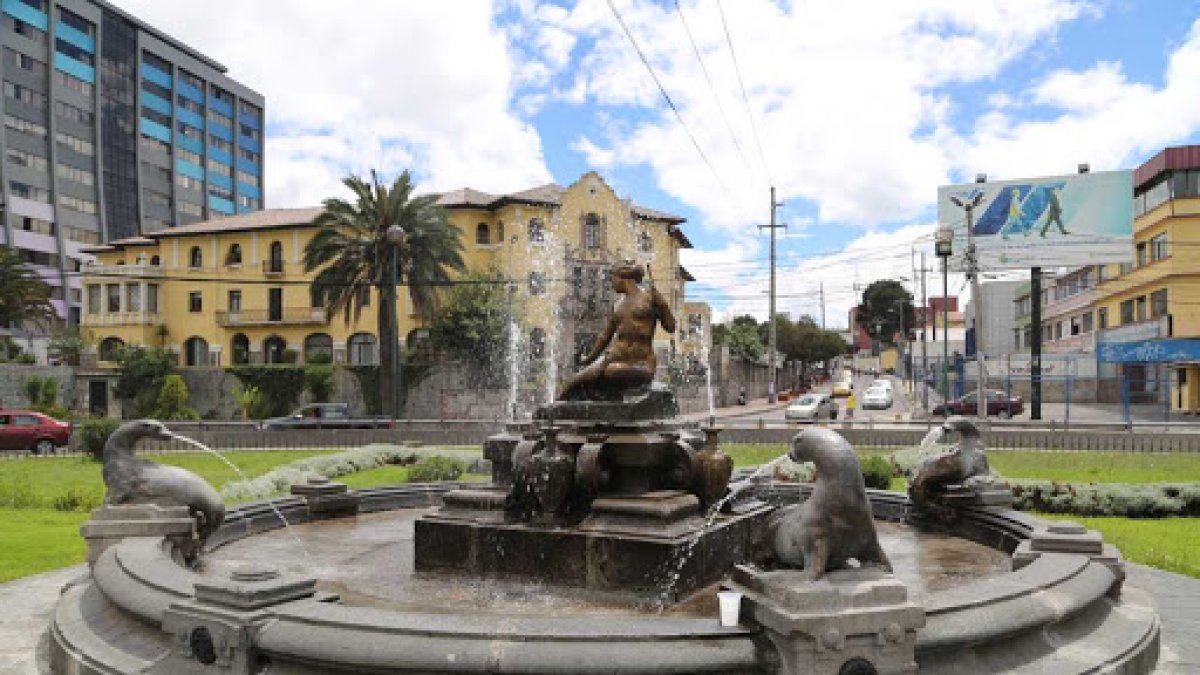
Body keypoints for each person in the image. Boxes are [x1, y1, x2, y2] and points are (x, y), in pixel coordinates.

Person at [558, 260, 676, 400]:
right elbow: (604, 337)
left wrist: (663, 306)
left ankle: (609, 396)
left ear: (623, 278)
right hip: (611, 361)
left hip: (641, 366)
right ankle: (557, 408)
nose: (611, 283)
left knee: (611, 371)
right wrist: (589, 359)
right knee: (574, 383)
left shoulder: (649, 299)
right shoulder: (618, 306)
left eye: (612, 278)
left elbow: (671, 327)